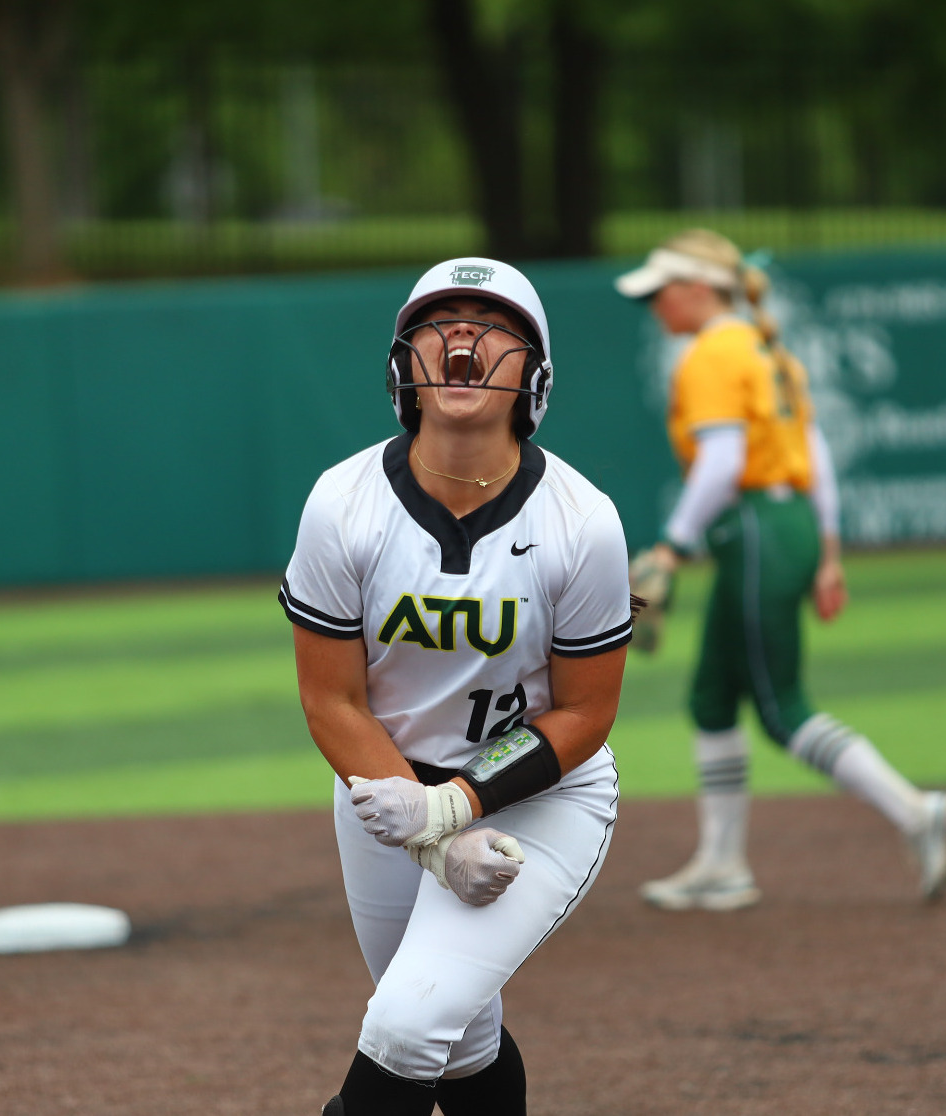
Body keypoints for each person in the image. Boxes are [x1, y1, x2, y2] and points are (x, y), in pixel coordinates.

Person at [281, 257, 632, 1115]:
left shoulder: (583, 523)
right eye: (442, 321)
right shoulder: (342, 502)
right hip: (384, 794)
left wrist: (455, 810)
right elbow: (333, 699)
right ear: (404, 362)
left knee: (406, 1025)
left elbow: (583, 712)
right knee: (459, 1040)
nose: (464, 337)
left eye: (492, 322)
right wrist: (425, 826)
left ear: (533, 373)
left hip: (539, 799)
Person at [615, 229, 946, 910]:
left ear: (694, 290)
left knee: (781, 709)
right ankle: (721, 864)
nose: (653, 305)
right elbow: (817, 454)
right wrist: (827, 550)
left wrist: (671, 546)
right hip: (786, 526)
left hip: (752, 530)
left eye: (659, 291)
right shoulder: (762, 348)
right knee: (712, 700)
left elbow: (720, 463)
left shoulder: (710, 353)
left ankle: (917, 812)